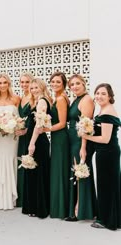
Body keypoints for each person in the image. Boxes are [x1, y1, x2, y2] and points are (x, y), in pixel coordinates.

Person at [82, 83, 121, 230]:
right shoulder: (103, 110)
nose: (99, 96)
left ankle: (106, 220)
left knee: (106, 185)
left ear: (110, 96)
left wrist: (85, 135)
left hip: (108, 153)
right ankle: (110, 217)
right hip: (105, 152)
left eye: (103, 93)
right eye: (97, 93)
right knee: (107, 185)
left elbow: (105, 139)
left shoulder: (107, 112)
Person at [65, 74, 97, 222]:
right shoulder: (75, 100)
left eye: (77, 83)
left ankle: (80, 210)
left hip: (80, 141)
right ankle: (78, 208)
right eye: (72, 85)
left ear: (84, 84)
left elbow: (86, 125)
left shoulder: (87, 99)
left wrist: (83, 147)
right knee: (77, 172)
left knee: (80, 172)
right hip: (72, 140)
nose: (74, 86)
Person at [0, 73, 20, 210]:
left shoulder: (16, 99)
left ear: (9, 84)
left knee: (11, 159)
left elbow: (20, 119)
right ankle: (1, 198)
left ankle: (12, 197)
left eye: (5, 83)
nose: (2, 85)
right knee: (0, 160)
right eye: (0, 83)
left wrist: (15, 126)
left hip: (12, 136)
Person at [24, 78, 52, 218]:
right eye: (32, 88)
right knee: (32, 172)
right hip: (33, 140)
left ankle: (39, 208)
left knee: (37, 173)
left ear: (42, 88)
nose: (33, 90)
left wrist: (32, 143)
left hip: (38, 142)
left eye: (36, 87)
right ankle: (33, 206)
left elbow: (39, 124)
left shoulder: (42, 101)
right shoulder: (34, 101)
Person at [48, 72, 70, 219]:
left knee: (60, 170)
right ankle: (57, 206)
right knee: (57, 170)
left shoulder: (61, 99)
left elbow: (62, 124)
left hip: (61, 138)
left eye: (58, 82)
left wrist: (45, 129)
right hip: (56, 138)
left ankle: (60, 209)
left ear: (63, 84)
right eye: (53, 82)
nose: (55, 84)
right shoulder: (56, 98)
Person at [16, 72, 34, 207]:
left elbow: (34, 117)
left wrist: (26, 129)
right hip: (20, 136)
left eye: (27, 82)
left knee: (30, 163)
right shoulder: (21, 98)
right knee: (21, 164)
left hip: (30, 134)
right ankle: (21, 198)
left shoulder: (35, 98)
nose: (24, 85)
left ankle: (30, 199)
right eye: (22, 82)